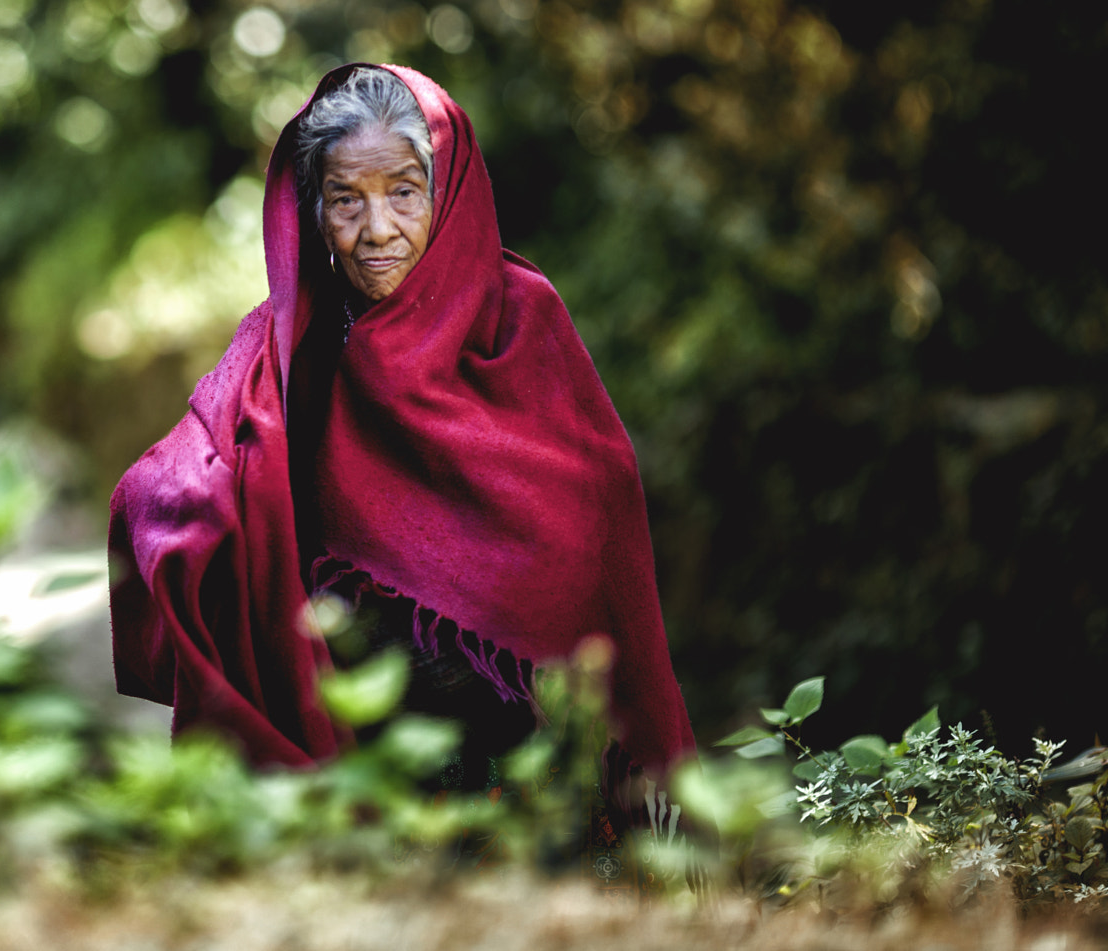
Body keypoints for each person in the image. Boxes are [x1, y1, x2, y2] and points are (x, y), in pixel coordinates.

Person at [108, 62, 694, 799]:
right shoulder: (292, 346)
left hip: (528, 748)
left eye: (404, 193)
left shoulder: (520, 321)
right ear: (312, 210)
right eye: (344, 199)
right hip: (364, 738)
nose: (375, 230)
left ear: (447, 194)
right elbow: (172, 482)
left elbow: (587, 524)